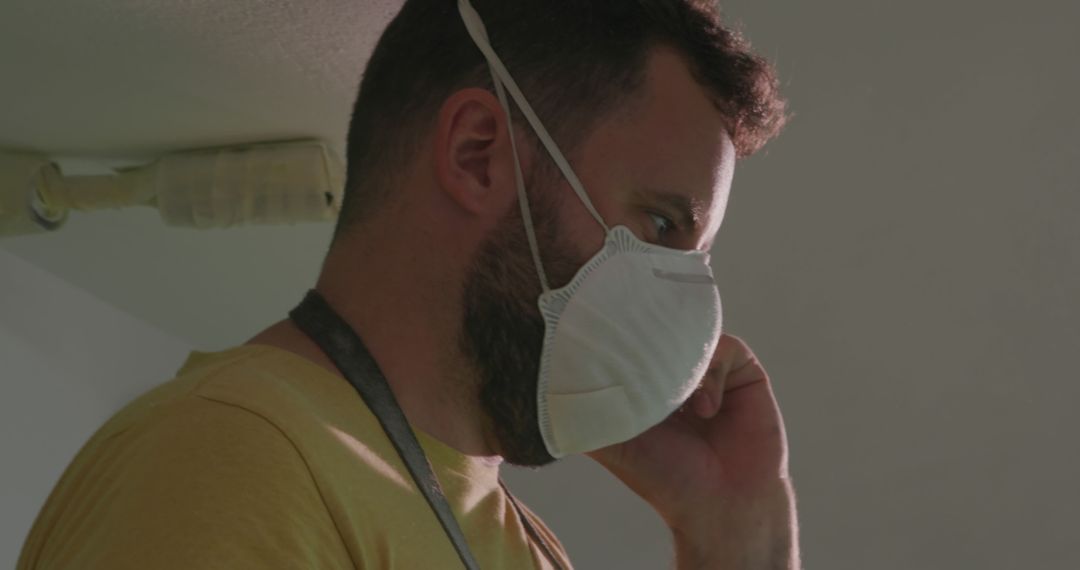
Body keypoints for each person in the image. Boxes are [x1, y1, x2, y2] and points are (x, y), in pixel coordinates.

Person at [18, 0, 795, 568]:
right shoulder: (232, 459)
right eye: (661, 227)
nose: (683, 296)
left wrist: (737, 534)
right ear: (476, 154)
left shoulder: (528, 548)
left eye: (694, 256)